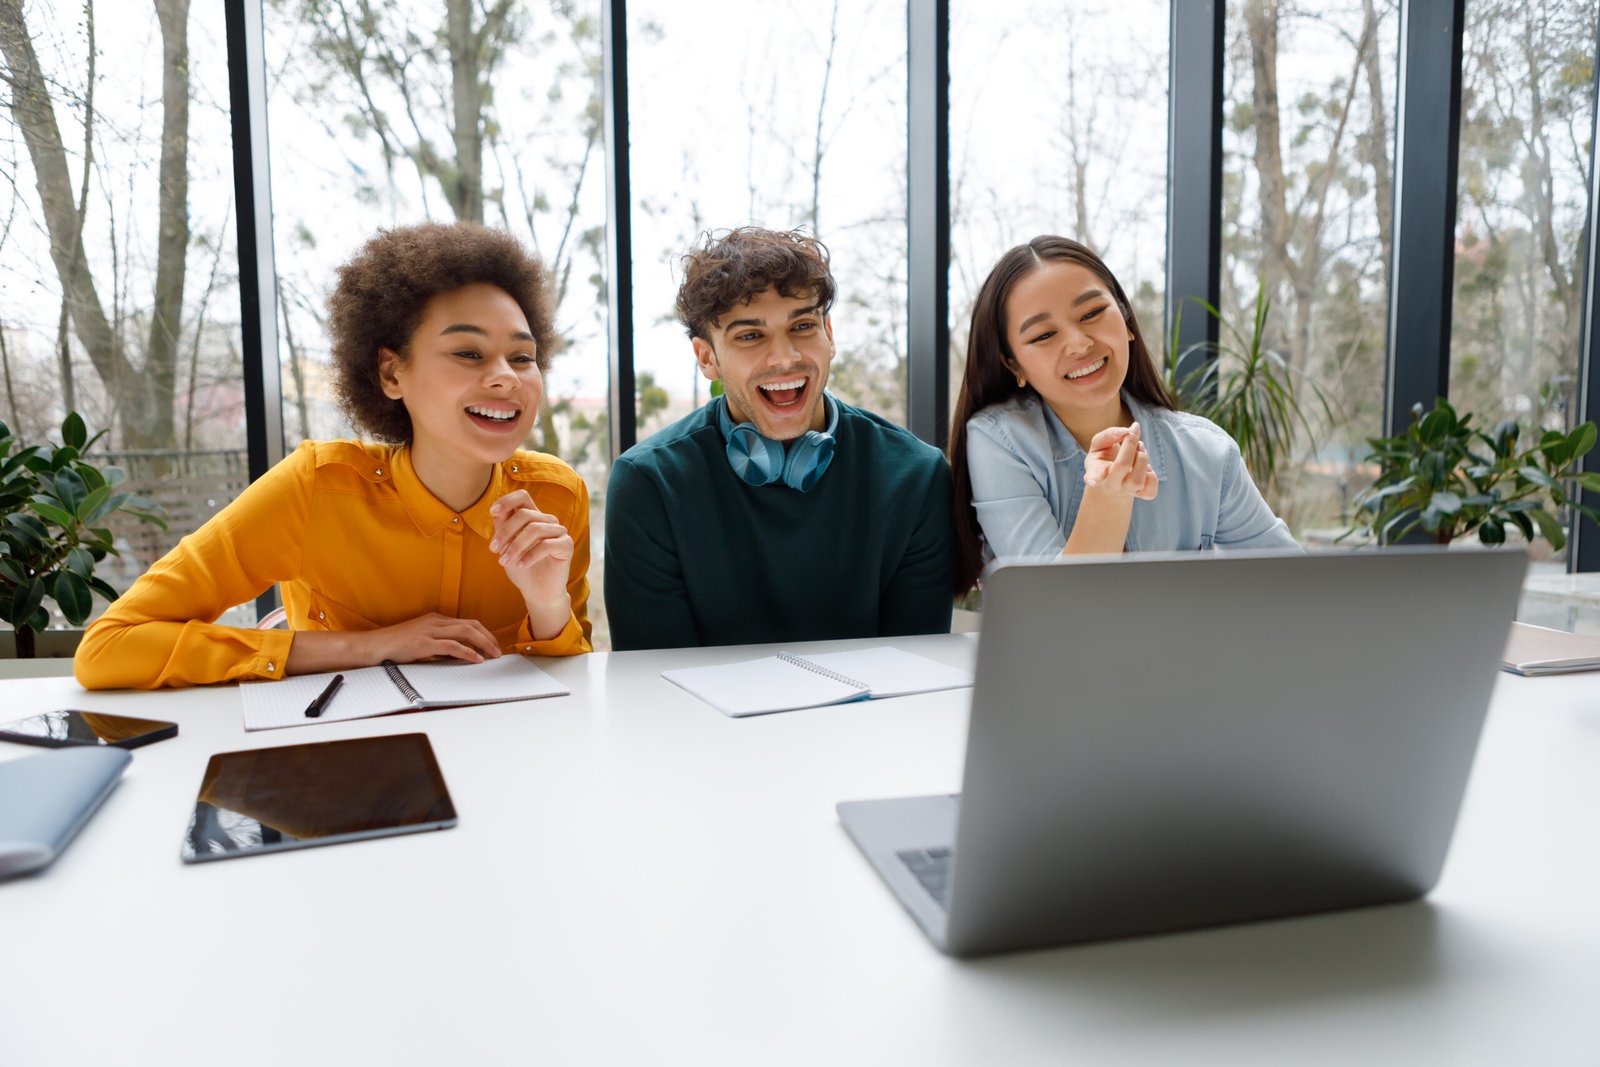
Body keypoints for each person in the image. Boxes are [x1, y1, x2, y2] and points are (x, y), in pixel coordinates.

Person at [76, 222, 592, 690]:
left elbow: (578, 683)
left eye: (523, 357)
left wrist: (546, 603)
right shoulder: (315, 487)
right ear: (392, 374)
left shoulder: (557, 497)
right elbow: (108, 648)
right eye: (468, 353)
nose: (506, 376)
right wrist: (374, 645)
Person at [604, 227, 953, 650]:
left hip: (872, 717)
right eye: (750, 335)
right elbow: (653, 684)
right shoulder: (649, 484)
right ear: (707, 357)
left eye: (803, 326)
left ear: (829, 334)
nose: (785, 358)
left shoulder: (918, 476)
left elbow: (915, 675)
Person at [949, 235, 1298, 594]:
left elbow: (1296, 589)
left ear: (1127, 320)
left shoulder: (1208, 452)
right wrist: (1107, 498)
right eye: (1043, 335)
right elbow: (1053, 614)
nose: (1079, 343)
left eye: (1091, 313)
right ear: (1014, 365)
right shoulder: (998, 440)